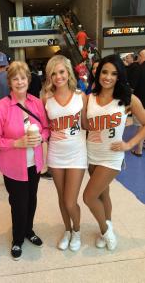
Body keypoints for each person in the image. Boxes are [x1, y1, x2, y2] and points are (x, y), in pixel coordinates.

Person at [83, 54, 145, 251]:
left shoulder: (128, 98)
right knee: (102, 194)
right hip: (92, 154)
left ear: (119, 76)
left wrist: (130, 144)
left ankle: (106, 231)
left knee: (89, 197)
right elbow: (85, 125)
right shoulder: (89, 97)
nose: (108, 77)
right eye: (104, 72)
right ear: (98, 73)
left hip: (112, 156)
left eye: (113, 73)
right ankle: (107, 224)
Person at [0, 61, 49, 260]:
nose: (19, 82)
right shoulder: (2, 107)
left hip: (35, 164)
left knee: (32, 200)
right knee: (18, 203)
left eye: (23, 78)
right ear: (9, 82)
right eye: (15, 78)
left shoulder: (36, 103)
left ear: (28, 80)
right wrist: (17, 143)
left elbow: (46, 129)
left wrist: (42, 137)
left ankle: (28, 231)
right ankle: (17, 239)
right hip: (14, 167)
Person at [44, 55, 87, 252]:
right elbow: (43, 127)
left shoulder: (81, 96)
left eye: (61, 72)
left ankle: (77, 231)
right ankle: (67, 230)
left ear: (68, 72)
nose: (58, 76)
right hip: (55, 154)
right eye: (54, 73)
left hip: (77, 153)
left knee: (70, 201)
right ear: (49, 76)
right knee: (62, 198)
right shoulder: (46, 98)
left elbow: (87, 125)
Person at [131, 49, 145, 156]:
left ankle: (139, 150)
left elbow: (133, 86)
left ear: (141, 56)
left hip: (140, 102)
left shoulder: (139, 69)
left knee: (141, 125)